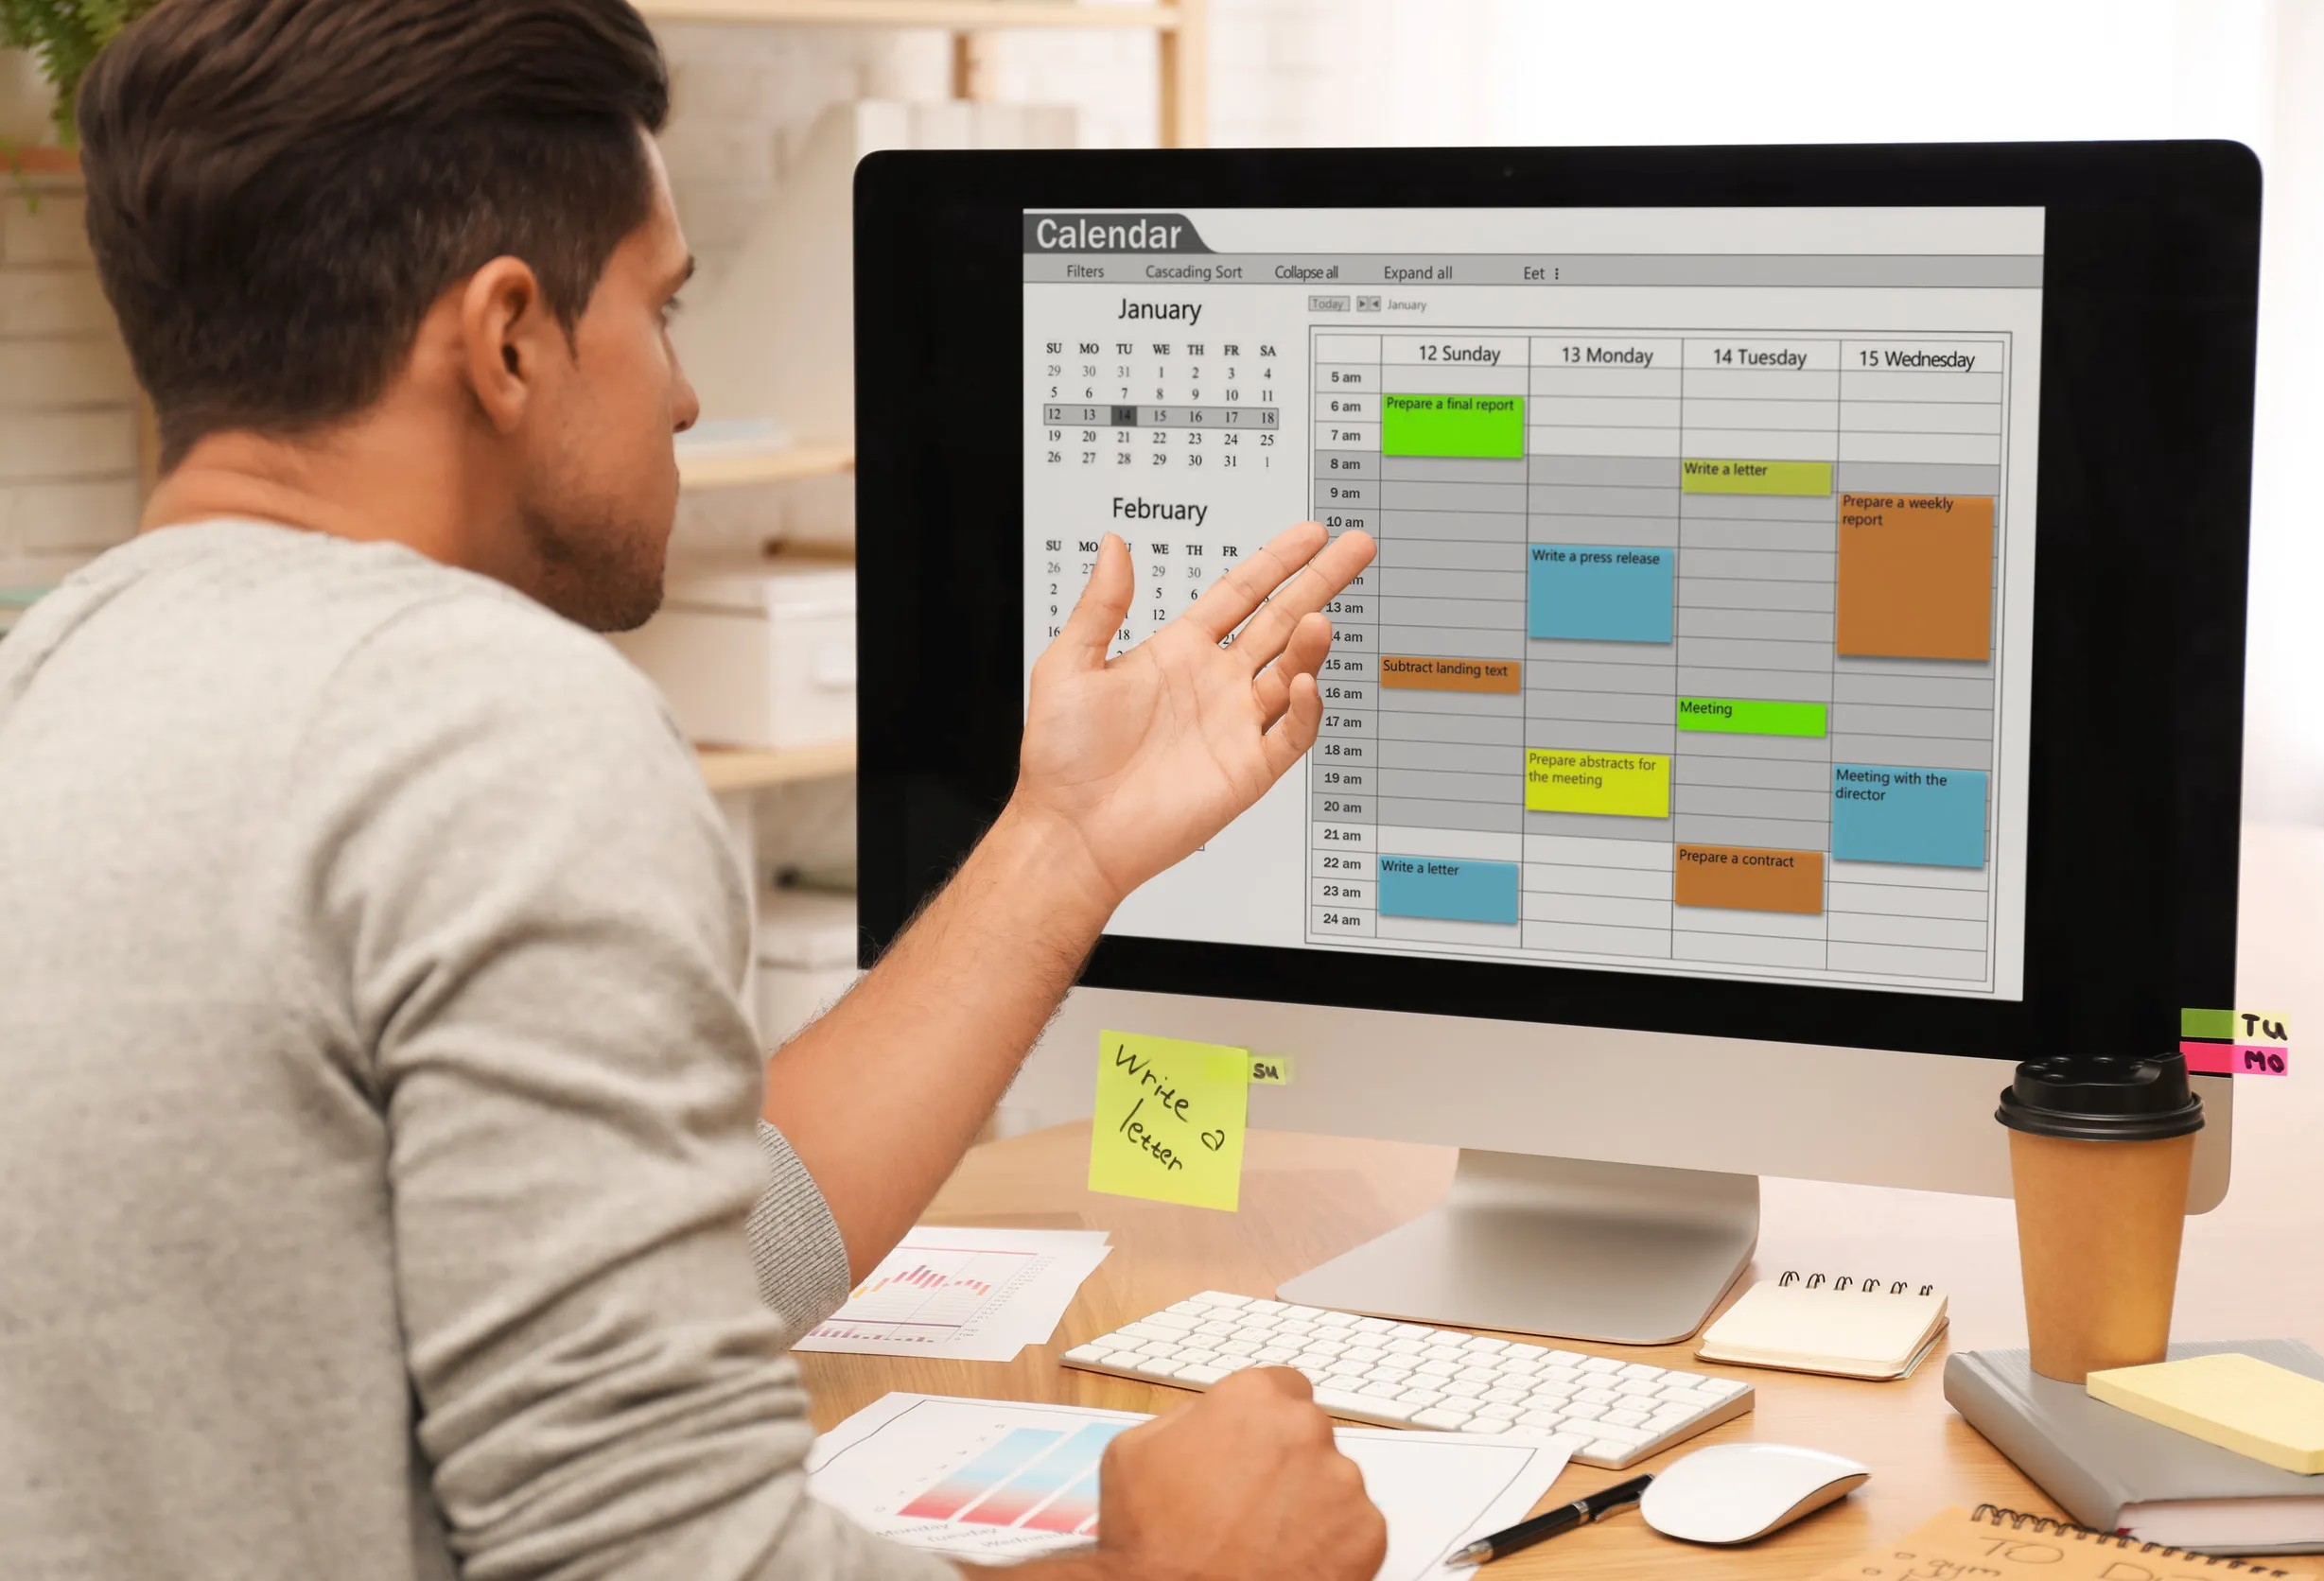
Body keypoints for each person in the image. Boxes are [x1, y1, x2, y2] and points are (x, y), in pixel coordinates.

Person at [0, 2, 1384, 1579]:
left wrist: (1063, 843)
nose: (679, 394)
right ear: (508, 338)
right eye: (663, 308)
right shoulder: (485, 730)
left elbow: (670, 1258)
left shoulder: (54, 694)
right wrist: (1164, 1573)